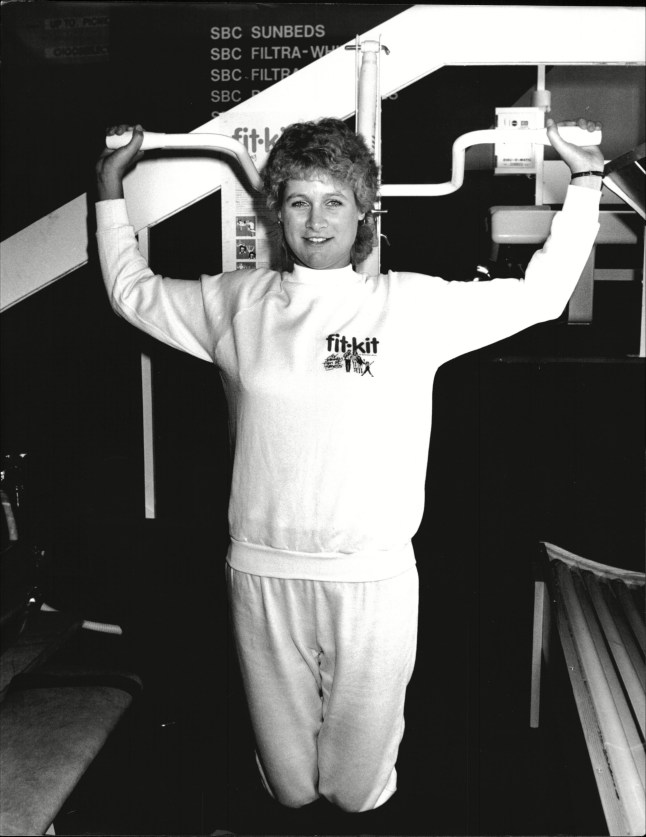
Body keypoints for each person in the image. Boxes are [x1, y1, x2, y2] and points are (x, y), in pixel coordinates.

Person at [95, 116, 603, 814]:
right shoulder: (236, 304)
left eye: (335, 200)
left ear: (363, 212)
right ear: (277, 210)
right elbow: (132, 291)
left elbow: (542, 295)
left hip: (372, 579)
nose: (315, 219)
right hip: (263, 573)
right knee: (290, 786)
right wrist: (108, 187)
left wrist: (585, 179)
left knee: (359, 789)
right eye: (299, 200)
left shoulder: (410, 306)